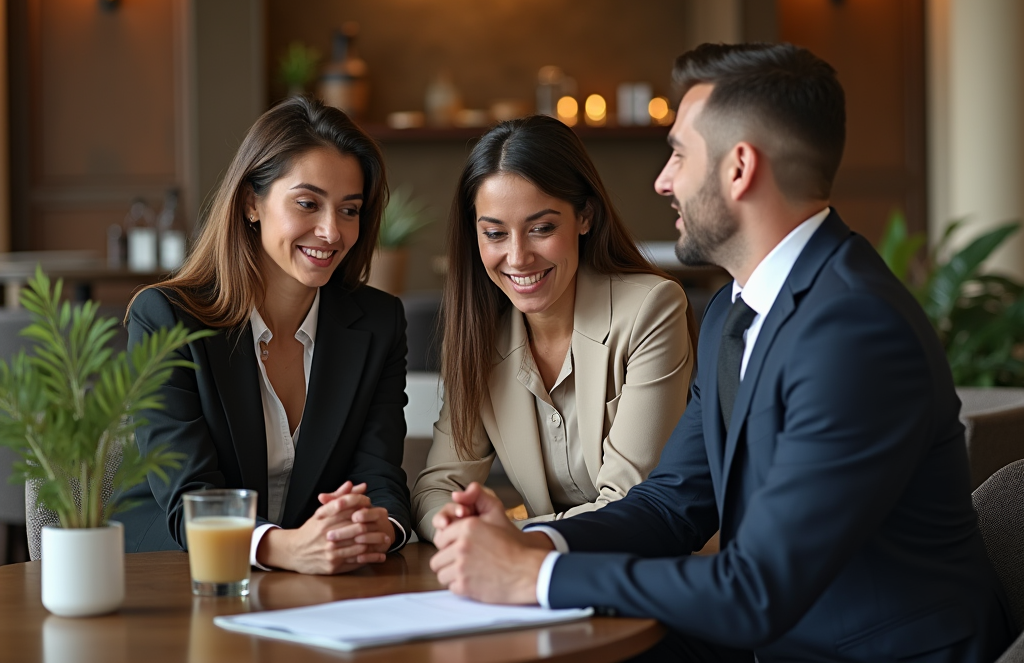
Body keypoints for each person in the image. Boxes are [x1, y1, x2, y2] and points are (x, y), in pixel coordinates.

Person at [426, 44, 1015, 662]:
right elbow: (671, 503)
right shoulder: (734, 313)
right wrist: (534, 544)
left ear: (739, 169)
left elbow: (758, 588)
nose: (662, 180)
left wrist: (534, 579)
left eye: (679, 154)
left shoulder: (855, 332)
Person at [116, 95, 412, 575]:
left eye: (350, 210)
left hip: (312, 581)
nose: (331, 232)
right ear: (252, 202)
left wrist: (379, 525)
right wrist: (284, 548)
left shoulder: (378, 323)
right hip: (169, 573)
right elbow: (190, 496)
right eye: (307, 203)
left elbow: (379, 475)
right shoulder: (167, 318)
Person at [411, 115, 696, 542]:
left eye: (541, 228)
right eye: (494, 233)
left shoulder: (652, 309)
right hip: (534, 576)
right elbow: (437, 488)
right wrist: (455, 528)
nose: (518, 256)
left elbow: (630, 503)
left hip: (639, 569)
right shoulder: (480, 337)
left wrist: (507, 535)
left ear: (585, 217)